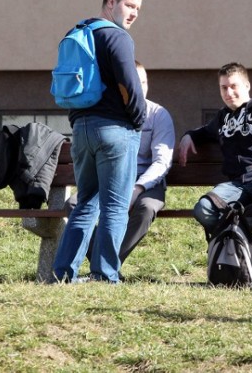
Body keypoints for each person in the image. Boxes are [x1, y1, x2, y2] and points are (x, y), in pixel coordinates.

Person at [52, 0, 146, 284]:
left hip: (81, 129)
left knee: (86, 204)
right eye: (128, 5)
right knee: (116, 208)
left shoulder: (76, 33)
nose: (133, 14)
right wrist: (138, 119)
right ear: (110, 2)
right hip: (115, 130)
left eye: (137, 9)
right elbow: (131, 85)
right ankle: (106, 275)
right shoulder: (117, 37)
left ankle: (62, 274)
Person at [178, 60, 252, 266]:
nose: (228, 92)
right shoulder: (222, 118)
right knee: (204, 209)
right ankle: (236, 245)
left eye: (234, 86)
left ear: (247, 86)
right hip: (238, 185)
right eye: (223, 87)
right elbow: (205, 132)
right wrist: (189, 136)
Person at [65, 61, 176, 268]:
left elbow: (162, 161)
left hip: (146, 183)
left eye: (144, 82)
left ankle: (108, 264)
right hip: (110, 178)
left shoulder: (158, 115)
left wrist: (138, 187)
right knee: (73, 204)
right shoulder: (109, 115)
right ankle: (104, 265)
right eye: (136, 82)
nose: (141, 87)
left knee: (146, 208)